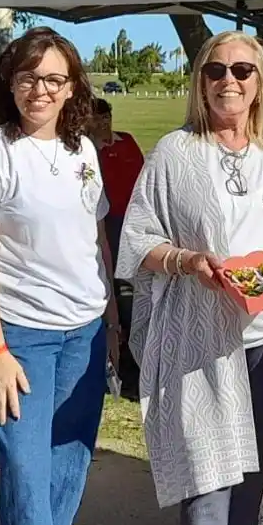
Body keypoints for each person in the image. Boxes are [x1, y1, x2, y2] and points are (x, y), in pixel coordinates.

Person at [116, 30, 263, 525]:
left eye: (242, 71)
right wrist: (185, 260)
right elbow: (136, 240)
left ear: (260, 84)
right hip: (203, 335)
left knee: (254, 461)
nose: (228, 81)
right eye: (215, 71)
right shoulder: (175, 153)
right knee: (209, 463)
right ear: (200, 81)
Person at [0, 27, 121, 525]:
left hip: (85, 331)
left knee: (69, 462)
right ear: (8, 82)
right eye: (28, 77)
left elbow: (95, 238)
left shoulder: (84, 152)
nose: (40, 90)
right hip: (21, 335)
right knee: (25, 472)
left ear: (72, 87)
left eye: (53, 78)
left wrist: (112, 323)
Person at [91, 97, 145, 395]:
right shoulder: (89, 154)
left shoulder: (126, 142)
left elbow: (141, 175)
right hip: (108, 225)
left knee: (136, 294)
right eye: (96, 118)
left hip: (133, 223)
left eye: (106, 116)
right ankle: (122, 364)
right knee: (118, 294)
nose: (103, 123)